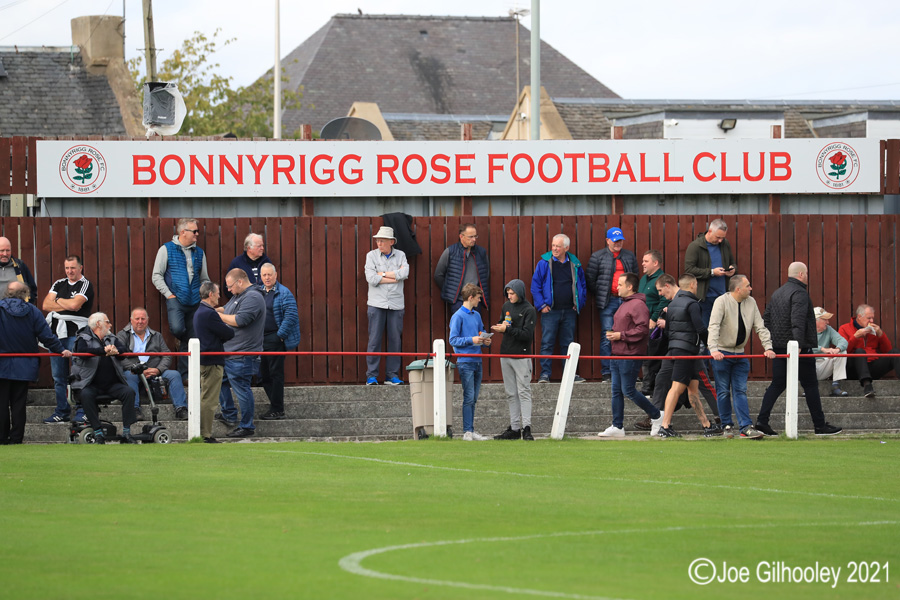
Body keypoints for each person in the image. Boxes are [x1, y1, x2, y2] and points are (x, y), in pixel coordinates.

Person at [755, 262, 843, 436]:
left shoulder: (778, 293)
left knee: (777, 384)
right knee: (810, 385)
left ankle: (761, 422)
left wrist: (775, 341)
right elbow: (798, 320)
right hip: (798, 348)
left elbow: (767, 318)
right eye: (807, 273)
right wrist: (798, 344)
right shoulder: (800, 293)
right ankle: (819, 425)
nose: (808, 276)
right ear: (801, 274)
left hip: (779, 347)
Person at [0, 282, 71, 444]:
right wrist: (61, 349)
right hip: (24, 365)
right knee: (19, 403)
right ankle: (16, 438)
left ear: (7, 293)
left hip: (2, 364)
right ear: (25, 293)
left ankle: (1, 437)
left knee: (1, 402)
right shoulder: (33, 311)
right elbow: (46, 336)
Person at [707, 275, 776, 439]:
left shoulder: (751, 302)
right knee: (723, 391)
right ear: (738, 289)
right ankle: (726, 426)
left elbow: (760, 326)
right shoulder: (721, 302)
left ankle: (745, 427)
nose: (750, 288)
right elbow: (713, 326)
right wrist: (714, 349)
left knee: (740, 390)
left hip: (740, 353)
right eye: (748, 286)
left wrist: (768, 347)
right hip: (722, 354)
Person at [597, 273, 663, 438]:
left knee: (628, 390)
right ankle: (617, 426)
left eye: (620, 284)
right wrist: (615, 335)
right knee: (616, 391)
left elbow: (642, 330)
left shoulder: (638, 305)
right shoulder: (625, 303)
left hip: (630, 354)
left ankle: (656, 415)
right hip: (617, 353)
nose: (617, 287)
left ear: (630, 287)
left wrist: (620, 335)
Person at [656, 274, 719, 438]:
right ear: (692, 284)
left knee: (693, 389)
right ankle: (665, 426)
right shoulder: (692, 304)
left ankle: (706, 425)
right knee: (677, 388)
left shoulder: (672, 305)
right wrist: (712, 346)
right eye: (696, 285)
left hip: (678, 350)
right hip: (686, 351)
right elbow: (700, 328)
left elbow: (667, 332)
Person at [151, 218, 210, 378]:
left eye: (197, 231)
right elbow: (156, 275)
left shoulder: (199, 252)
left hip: (196, 301)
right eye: (194, 231)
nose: (197, 234)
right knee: (178, 330)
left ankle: (186, 376)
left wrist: (204, 296)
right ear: (183, 232)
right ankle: (183, 346)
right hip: (176, 299)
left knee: (193, 338)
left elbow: (204, 278)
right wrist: (169, 295)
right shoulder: (166, 249)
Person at [41, 255, 94, 424]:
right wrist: (66, 303)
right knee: (58, 376)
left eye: (73, 268)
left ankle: (82, 410)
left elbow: (75, 306)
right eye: (67, 268)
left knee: (79, 373)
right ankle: (61, 411)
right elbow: (45, 305)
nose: (69, 271)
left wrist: (57, 300)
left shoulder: (85, 284)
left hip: (76, 334)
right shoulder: (59, 283)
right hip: (57, 334)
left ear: (80, 268)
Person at [70, 312, 137, 444]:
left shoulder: (111, 338)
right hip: (90, 384)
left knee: (129, 392)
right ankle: (98, 432)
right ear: (98, 324)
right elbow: (82, 352)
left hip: (112, 384)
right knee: (85, 395)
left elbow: (124, 350)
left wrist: (116, 351)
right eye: (107, 322)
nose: (110, 325)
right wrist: (104, 351)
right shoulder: (82, 338)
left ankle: (126, 432)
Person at [531, 234, 588, 383]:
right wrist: (541, 305)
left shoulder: (575, 264)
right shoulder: (544, 263)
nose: (555, 249)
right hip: (550, 311)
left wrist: (579, 303)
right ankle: (545, 375)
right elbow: (535, 286)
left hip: (570, 311)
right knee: (547, 342)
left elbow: (582, 285)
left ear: (566, 248)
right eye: (553, 245)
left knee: (568, 344)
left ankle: (570, 375)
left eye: (558, 246)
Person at [216, 269, 266, 438]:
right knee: (220, 381)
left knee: (242, 389)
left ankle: (246, 426)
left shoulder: (253, 297)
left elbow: (239, 320)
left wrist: (217, 316)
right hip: (231, 352)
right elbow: (227, 309)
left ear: (240, 281)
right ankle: (229, 414)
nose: (228, 290)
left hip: (243, 354)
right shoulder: (239, 295)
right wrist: (212, 309)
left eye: (230, 286)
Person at [116, 307, 187, 421]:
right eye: (137, 319)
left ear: (147, 320)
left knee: (174, 375)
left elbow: (167, 355)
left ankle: (181, 408)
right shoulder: (122, 335)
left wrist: (158, 370)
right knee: (128, 376)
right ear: (131, 320)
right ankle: (134, 409)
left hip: (155, 370)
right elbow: (119, 357)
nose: (140, 321)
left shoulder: (156, 335)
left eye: (143, 319)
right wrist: (137, 369)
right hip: (133, 371)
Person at [586, 227, 638, 380]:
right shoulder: (598, 257)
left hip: (627, 301)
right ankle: (607, 372)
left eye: (620, 240)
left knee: (628, 334)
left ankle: (626, 371)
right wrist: (603, 293)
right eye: (615, 241)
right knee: (608, 334)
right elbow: (590, 279)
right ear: (607, 240)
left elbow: (635, 277)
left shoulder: (629, 256)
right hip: (608, 301)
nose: (618, 243)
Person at [491, 279, 537, 441]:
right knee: (511, 393)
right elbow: (503, 323)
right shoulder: (506, 306)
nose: (509, 296)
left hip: (521, 355)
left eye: (512, 293)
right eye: (508, 293)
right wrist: (501, 326)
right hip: (505, 354)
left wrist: (508, 329)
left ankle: (527, 428)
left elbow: (527, 335)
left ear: (520, 293)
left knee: (524, 391)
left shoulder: (529, 310)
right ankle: (515, 427)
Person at [364, 226, 409, 385]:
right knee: (374, 340)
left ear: (391, 242)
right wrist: (393, 276)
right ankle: (371, 376)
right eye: (377, 240)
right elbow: (371, 278)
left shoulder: (401, 255)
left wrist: (381, 274)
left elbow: (404, 274)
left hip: (396, 304)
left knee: (395, 340)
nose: (379, 243)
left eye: (382, 240)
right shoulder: (371, 255)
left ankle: (392, 375)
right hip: (376, 303)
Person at [449, 283, 492, 441]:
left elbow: (481, 332)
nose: (480, 301)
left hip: (477, 360)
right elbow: (453, 340)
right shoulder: (458, 316)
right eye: (478, 298)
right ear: (471, 297)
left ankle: (471, 430)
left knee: (473, 398)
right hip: (465, 361)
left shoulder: (477, 316)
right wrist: (471, 340)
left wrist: (485, 341)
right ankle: (467, 431)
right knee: (469, 397)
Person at [193, 282, 234, 443]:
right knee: (209, 399)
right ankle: (205, 434)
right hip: (212, 362)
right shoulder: (209, 313)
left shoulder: (200, 311)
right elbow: (228, 333)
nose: (219, 296)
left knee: (206, 397)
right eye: (217, 293)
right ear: (210, 294)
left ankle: (203, 433)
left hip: (206, 360)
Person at [259, 263, 300, 419]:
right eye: (264, 275)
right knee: (264, 375)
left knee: (275, 374)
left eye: (270, 274)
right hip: (260, 340)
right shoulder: (258, 292)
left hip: (275, 338)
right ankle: (275, 405)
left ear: (275, 275)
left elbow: (291, 316)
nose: (267, 278)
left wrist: (280, 336)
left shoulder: (284, 293)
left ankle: (277, 409)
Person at [838, 304, 900, 399]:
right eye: (869, 318)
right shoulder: (844, 328)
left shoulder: (874, 330)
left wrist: (881, 334)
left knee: (895, 352)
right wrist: (855, 337)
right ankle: (867, 385)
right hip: (853, 368)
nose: (871, 321)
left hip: (872, 366)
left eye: (872, 318)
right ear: (859, 316)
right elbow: (842, 351)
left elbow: (887, 351)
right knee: (859, 351)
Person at [683, 219, 736, 326]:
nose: (720, 240)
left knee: (723, 330)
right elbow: (689, 270)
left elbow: (732, 262)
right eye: (718, 237)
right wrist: (712, 272)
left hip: (723, 295)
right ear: (710, 231)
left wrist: (733, 269)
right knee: (706, 329)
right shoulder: (695, 246)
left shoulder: (725, 244)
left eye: (723, 238)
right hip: (705, 297)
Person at [434, 223, 489, 315]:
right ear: (461, 236)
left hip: (476, 300)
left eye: (475, 236)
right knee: (459, 324)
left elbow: (485, 274)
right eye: (470, 237)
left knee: (475, 323)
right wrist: (452, 290)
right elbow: (438, 275)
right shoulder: (450, 252)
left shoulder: (481, 253)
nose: (474, 239)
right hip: (458, 300)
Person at [637, 250, 669, 397]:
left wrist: (654, 318)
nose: (642, 264)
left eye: (646, 261)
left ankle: (649, 388)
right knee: (644, 355)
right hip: (642, 323)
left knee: (652, 356)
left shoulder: (662, 279)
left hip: (654, 325)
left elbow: (664, 300)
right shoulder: (644, 279)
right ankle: (647, 386)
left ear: (655, 263)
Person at [813, 307, 849, 397]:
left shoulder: (828, 329)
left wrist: (837, 350)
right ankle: (808, 388)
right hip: (808, 366)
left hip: (823, 364)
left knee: (842, 352)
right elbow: (803, 345)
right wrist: (823, 349)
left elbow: (843, 341)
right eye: (825, 319)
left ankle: (835, 386)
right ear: (816, 320)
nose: (828, 322)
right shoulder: (805, 330)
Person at [0, 236, 37, 302]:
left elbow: (32, 289)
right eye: (2, 251)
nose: (5, 254)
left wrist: (25, 303)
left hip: (16, 307)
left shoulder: (20, 266)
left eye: (8, 250)